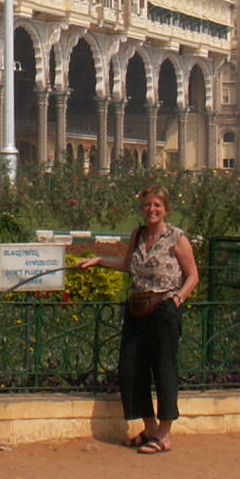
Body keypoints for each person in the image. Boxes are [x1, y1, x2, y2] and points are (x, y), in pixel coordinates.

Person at [78, 185, 199, 454]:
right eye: (147, 205)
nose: (151, 210)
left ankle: (165, 435)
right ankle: (150, 428)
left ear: (166, 209)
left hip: (164, 308)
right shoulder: (139, 234)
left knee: (164, 367)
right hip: (137, 307)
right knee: (132, 368)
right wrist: (98, 260)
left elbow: (193, 275)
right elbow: (126, 265)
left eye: (157, 205)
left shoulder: (176, 238)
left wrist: (177, 299)